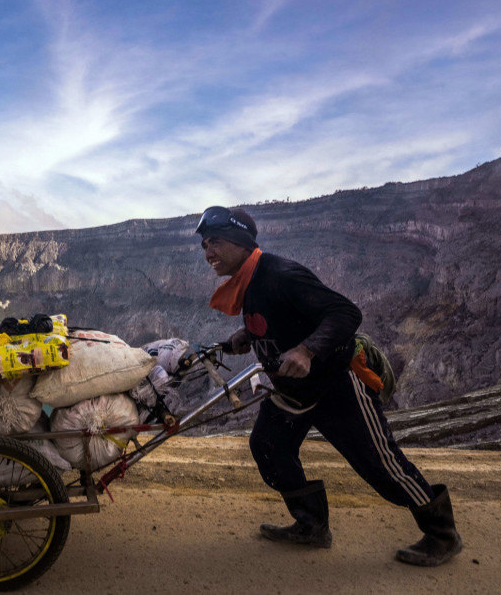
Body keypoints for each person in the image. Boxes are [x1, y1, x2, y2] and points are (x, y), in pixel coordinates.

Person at [195, 205, 462, 566]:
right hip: (291, 389)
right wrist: (247, 334)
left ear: (241, 242)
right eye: (205, 245)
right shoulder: (249, 281)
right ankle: (311, 525)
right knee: (269, 447)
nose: (208, 252)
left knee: (381, 466)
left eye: (215, 242)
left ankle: (442, 535)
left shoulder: (281, 273)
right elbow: (282, 317)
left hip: (335, 383)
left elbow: (345, 313)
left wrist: (306, 350)